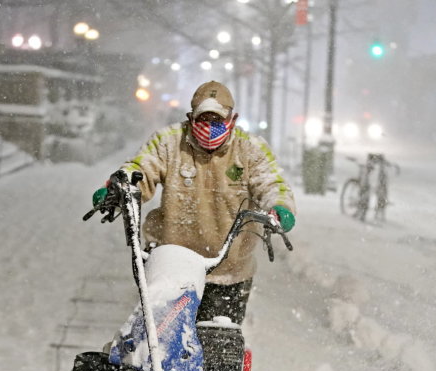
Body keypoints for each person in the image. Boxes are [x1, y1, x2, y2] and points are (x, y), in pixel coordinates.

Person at [92, 81, 296, 325]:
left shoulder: (250, 149)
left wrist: (280, 207)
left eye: (217, 121)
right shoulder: (168, 142)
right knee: (162, 342)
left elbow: (272, 183)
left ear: (233, 118)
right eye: (203, 120)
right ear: (190, 118)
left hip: (229, 271)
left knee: (220, 348)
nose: (210, 128)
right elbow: (140, 169)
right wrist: (119, 190)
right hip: (172, 267)